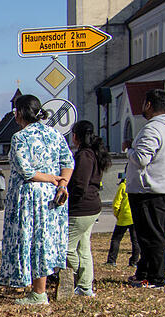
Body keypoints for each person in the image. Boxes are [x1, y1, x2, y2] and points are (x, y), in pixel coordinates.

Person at [0, 95, 74, 305]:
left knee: (29, 241)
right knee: (44, 241)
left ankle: (38, 293)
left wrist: (51, 178)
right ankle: (37, 288)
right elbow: (68, 162)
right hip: (52, 197)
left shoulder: (20, 137)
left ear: (21, 113)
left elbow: (26, 171)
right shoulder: (55, 134)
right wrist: (61, 184)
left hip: (29, 197)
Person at [122, 88, 165, 289]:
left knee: (151, 236)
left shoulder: (152, 129)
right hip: (163, 187)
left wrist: (129, 149)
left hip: (148, 191)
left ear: (148, 104)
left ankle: (156, 278)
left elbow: (141, 159)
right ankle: (144, 272)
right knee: (151, 234)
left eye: (143, 103)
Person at [67, 120, 109, 297]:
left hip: (82, 208)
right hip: (92, 206)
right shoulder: (94, 153)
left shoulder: (84, 155)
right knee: (83, 247)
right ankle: (85, 287)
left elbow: (79, 184)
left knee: (65, 248)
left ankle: (82, 278)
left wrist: (68, 200)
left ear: (76, 136)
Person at [106, 174, 140, 267]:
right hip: (135, 216)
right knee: (135, 240)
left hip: (124, 216)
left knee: (116, 239)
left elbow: (116, 203)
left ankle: (111, 260)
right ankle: (134, 261)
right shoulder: (138, 185)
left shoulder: (123, 186)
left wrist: (117, 214)